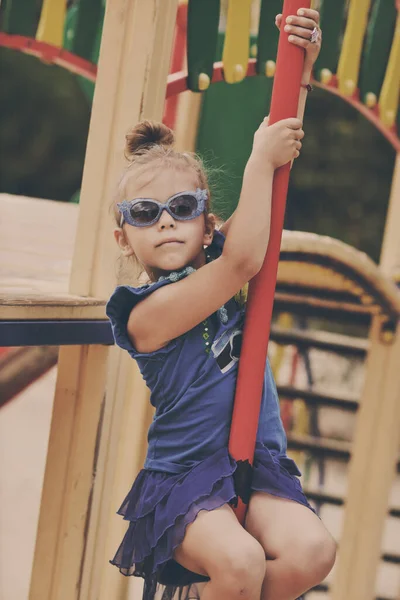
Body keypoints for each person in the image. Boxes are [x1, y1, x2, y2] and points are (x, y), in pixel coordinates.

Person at [106, 7, 336, 600]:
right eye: (144, 214)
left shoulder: (219, 256)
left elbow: (271, 183)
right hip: (184, 483)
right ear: (122, 235)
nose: (165, 224)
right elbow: (243, 261)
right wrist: (257, 159)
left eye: (182, 208)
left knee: (313, 552)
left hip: (253, 467)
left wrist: (299, 78)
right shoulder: (143, 313)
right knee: (239, 562)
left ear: (207, 224)